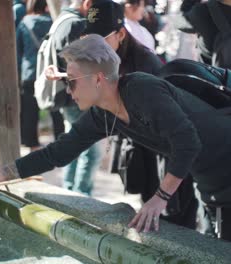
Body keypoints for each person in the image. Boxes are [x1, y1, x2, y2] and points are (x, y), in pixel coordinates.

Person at [0, 35, 231, 247]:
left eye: (71, 82)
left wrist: (159, 197)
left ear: (98, 79)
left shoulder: (142, 88)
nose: (67, 90)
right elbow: (58, 153)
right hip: (216, 185)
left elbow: (187, 142)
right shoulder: (103, 114)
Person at [83, 0, 198, 229]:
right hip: (144, 148)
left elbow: (182, 137)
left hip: (167, 151)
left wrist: (163, 194)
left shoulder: (145, 66)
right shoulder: (108, 59)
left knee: (176, 216)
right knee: (151, 210)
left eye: (101, 39)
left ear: (120, 35)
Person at [43, 0, 102, 195]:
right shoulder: (76, 23)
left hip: (65, 93)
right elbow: (76, 65)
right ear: (87, 3)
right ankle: (82, 195)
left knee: (74, 144)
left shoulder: (61, 19)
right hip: (76, 94)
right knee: (91, 150)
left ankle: (70, 191)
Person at [16, 0, 52, 151]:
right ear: (46, 6)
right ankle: (60, 138)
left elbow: (18, 50)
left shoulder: (24, 23)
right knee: (54, 106)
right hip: (49, 72)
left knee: (30, 109)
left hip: (29, 72)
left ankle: (31, 142)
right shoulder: (52, 22)